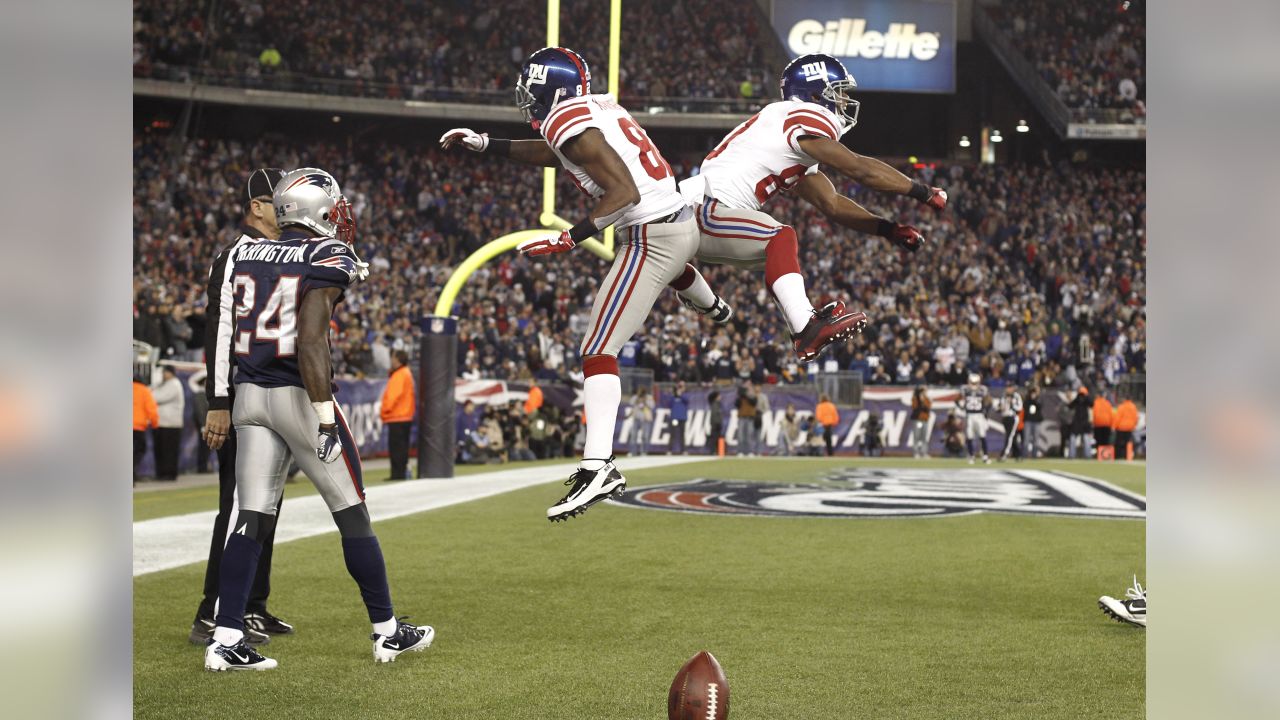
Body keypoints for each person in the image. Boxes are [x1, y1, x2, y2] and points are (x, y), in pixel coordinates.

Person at [441, 47, 716, 522]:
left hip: (651, 234)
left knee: (598, 349)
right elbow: (561, 156)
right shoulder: (592, 110)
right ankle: (714, 306)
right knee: (663, 279)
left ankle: (598, 466)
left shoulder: (570, 118)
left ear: (555, 89)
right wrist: (489, 144)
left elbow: (624, 193)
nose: (527, 99)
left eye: (533, 90)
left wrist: (570, 237)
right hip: (676, 224)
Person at [203, 167, 432, 671]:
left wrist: (218, 397)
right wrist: (325, 414)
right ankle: (388, 631)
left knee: (251, 517)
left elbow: (222, 329)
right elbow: (310, 339)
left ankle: (225, 637)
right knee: (352, 512)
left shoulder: (239, 252)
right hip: (298, 395)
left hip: (248, 396)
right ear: (316, 209)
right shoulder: (327, 255)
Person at [671, 53, 944, 363]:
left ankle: (804, 325)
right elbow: (858, 168)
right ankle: (805, 329)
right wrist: (922, 191)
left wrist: (887, 228)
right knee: (779, 237)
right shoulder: (802, 115)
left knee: (777, 247)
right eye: (838, 91)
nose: (843, 100)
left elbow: (832, 204)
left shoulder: (784, 133)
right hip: (707, 208)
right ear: (816, 94)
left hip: (709, 214)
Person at [192, 167, 291, 647]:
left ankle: (252, 605)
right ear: (257, 206)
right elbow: (219, 332)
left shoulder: (281, 254)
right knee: (237, 508)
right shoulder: (234, 255)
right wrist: (218, 401)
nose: (289, 206)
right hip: (240, 399)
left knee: (266, 505)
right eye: (280, 200)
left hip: (270, 396)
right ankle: (212, 612)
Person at [380, 350, 415, 480]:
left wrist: (384, 411)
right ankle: (401, 473)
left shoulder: (400, 374)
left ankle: (397, 474)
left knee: (396, 448)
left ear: (398, 360)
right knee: (402, 448)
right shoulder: (405, 373)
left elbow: (393, 396)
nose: (391, 360)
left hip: (397, 416)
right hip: (404, 415)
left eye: (393, 358)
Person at [151, 366, 185, 481]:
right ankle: (161, 473)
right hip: (161, 423)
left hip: (171, 425)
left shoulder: (174, 384)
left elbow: (156, 397)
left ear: (171, 373)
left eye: (165, 372)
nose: (163, 375)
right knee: (160, 450)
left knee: (169, 451)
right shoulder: (164, 384)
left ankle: (170, 474)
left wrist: (152, 388)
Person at [960, 373, 991, 464]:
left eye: (975, 383)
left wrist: (986, 411)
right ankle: (971, 456)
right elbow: (957, 399)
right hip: (969, 415)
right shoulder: (965, 389)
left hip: (979, 415)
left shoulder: (983, 390)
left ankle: (985, 456)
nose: (973, 385)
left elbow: (989, 401)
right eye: (972, 383)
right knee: (969, 436)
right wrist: (961, 407)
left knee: (982, 436)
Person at [133, 375, 159, 482]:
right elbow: (152, 409)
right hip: (138, 426)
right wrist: (155, 424)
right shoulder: (144, 391)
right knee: (139, 450)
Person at [1066, 386, 1093, 459]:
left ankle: (1072, 455)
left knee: (1080, 438)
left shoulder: (1080, 399)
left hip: (1079, 421)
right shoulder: (1079, 399)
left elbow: (1070, 406)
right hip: (1081, 421)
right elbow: (1070, 406)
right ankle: (1087, 455)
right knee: (1084, 439)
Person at [999, 384, 1024, 460]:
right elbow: (999, 406)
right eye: (1007, 387)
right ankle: (1018, 454)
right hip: (1005, 417)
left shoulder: (1016, 396)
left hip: (1013, 417)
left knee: (1009, 436)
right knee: (1012, 436)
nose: (1008, 389)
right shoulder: (1003, 396)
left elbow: (1020, 408)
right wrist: (999, 408)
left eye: (1010, 388)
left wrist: (1012, 405)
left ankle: (1004, 454)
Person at [735, 381, 759, 455]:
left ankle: (750, 451)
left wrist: (747, 395)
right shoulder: (741, 397)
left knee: (749, 435)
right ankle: (740, 451)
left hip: (750, 417)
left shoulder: (753, 396)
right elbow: (737, 405)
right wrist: (740, 396)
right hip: (742, 417)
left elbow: (754, 402)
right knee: (740, 435)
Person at [1113, 396, 1139, 461]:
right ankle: (1126, 456)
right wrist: (1133, 425)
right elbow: (1136, 418)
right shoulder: (1133, 407)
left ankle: (1117, 457)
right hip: (1129, 428)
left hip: (1121, 427)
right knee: (1128, 443)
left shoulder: (1121, 407)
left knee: (1118, 443)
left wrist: (1114, 426)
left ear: (1124, 399)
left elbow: (1117, 418)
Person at [629, 386, 654, 456]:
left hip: (646, 419)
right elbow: (631, 403)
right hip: (636, 419)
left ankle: (644, 452)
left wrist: (645, 401)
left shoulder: (649, 397)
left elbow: (652, 406)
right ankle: (633, 452)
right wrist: (637, 397)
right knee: (633, 436)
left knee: (645, 436)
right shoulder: (636, 397)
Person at [909, 385, 931, 458]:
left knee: (924, 437)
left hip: (924, 420)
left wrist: (923, 401)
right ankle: (916, 453)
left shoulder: (927, 399)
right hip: (917, 420)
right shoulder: (915, 399)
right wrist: (919, 400)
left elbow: (928, 408)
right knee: (916, 436)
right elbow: (914, 407)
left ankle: (924, 452)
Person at [1092, 391, 1115, 459]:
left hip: (1098, 424)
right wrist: (1112, 425)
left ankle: (1099, 455)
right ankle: (1105, 456)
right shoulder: (1108, 403)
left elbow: (1094, 413)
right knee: (1105, 441)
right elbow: (1111, 415)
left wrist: (1093, 423)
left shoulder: (1095, 403)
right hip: (1107, 424)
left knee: (1098, 441)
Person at [668, 381, 689, 454]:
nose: (681, 388)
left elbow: (687, 401)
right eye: (679, 387)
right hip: (674, 418)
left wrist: (681, 395)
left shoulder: (685, 395)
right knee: (672, 434)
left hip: (682, 418)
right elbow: (669, 404)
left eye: (682, 387)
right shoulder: (673, 397)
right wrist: (674, 394)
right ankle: (670, 450)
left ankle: (683, 450)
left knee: (682, 435)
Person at [1023, 385, 1044, 459]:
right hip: (1028, 420)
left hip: (1036, 421)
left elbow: (1040, 406)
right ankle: (1025, 454)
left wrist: (1035, 399)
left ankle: (1034, 454)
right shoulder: (1027, 398)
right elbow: (1025, 406)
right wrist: (1030, 398)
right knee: (1026, 438)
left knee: (1036, 439)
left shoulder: (1039, 399)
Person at [707, 390, 724, 454]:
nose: (720, 397)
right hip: (715, 423)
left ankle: (716, 450)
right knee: (714, 438)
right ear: (716, 397)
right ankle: (713, 451)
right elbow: (715, 414)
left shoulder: (718, 404)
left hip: (716, 423)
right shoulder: (714, 404)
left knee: (717, 438)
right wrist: (717, 423)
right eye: (719, 396)